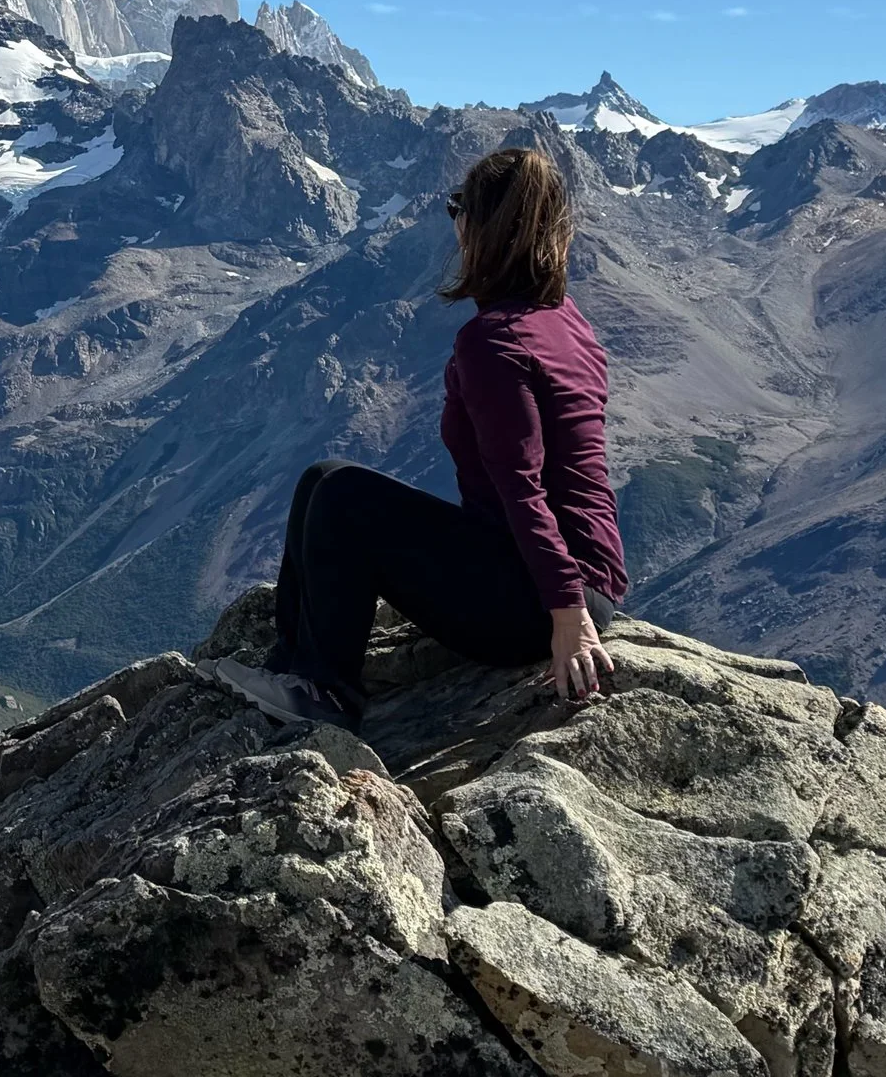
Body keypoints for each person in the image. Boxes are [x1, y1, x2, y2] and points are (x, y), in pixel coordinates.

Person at [215, 146, 628, 729]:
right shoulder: (565, 320)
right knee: (323, 478)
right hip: (571, 578)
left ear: (485, 227)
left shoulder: (495, 342)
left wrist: (567, 617)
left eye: (458, 207)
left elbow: (522, 488)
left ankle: (326, 695)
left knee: (342, 499)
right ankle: (294, 668)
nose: (453, 220)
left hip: (538, 600)